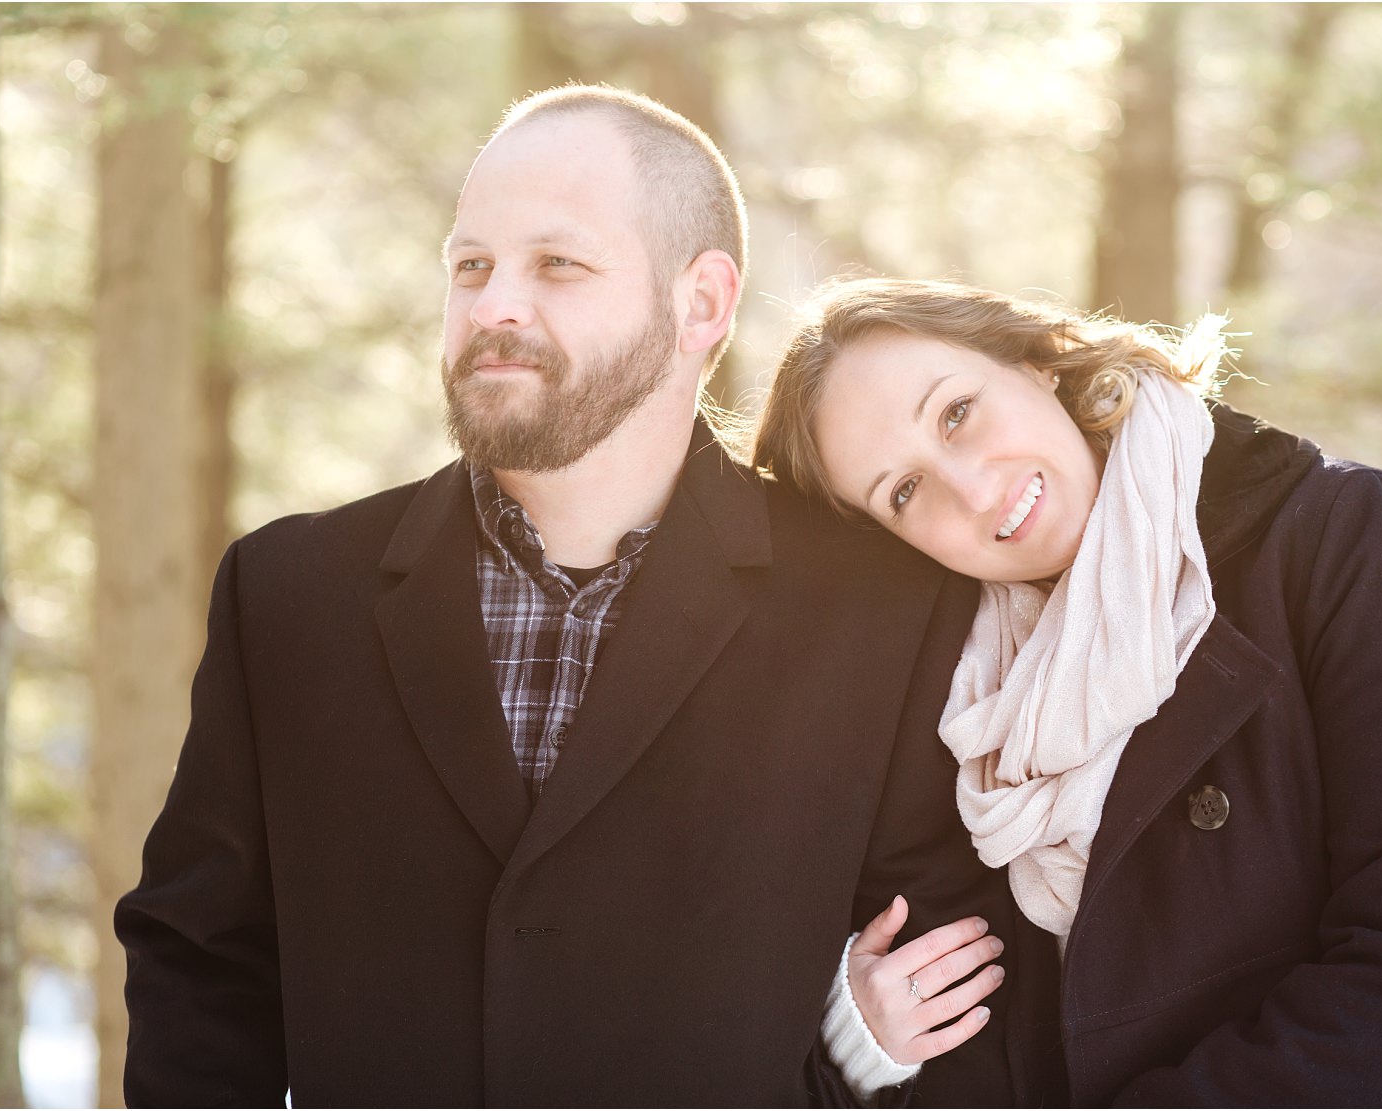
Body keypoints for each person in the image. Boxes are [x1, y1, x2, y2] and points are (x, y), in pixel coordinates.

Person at [114, 90, 1029, 1107]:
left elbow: (965, 1016)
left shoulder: (886, 613)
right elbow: (200, 969)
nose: (495, 304)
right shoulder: (288, 596)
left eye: (557, 263)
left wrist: (843, 1064)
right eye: (472, 266)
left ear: (703, 303)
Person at [757, 277, 1382, 1107]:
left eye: (956, 413)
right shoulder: (955, 702)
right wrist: (858, 1048)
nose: (973, 491)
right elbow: (986, 1042)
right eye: (902, 492)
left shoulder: (1341, 537)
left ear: (1035, 361)